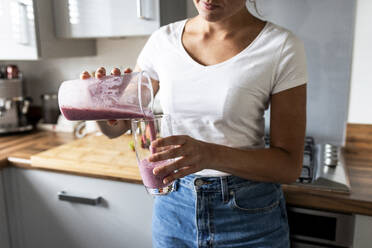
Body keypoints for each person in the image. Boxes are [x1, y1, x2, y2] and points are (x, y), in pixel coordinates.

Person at [81, 0, 307, 247]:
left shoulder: (281, 46)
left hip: (248, 215)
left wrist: (209, 154)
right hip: (174, 210)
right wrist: (101, 106)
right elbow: (118, 127)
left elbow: (288, 166)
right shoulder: (162, 41)